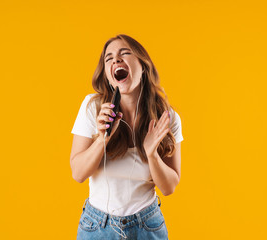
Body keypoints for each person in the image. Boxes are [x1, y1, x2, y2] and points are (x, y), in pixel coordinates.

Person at [70, 34, 183, 240]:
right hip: (97, 227)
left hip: (148, 227)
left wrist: (152, 154)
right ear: (107, 73)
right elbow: (78, 174)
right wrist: (102, 138)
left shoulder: (167, 118)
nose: (116, 60)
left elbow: (169, 187)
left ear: (143, 65)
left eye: (125, 53)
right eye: (109, 58)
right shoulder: (92, 107)